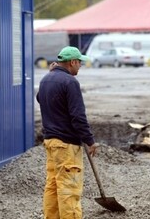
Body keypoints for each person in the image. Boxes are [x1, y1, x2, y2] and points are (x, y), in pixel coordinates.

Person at [36, 46, 98, 219]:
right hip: (66, 145)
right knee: (69, 189)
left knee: (53, 186)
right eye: (79, 63)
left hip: (51, 142)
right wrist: (90, 140)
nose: (80, 66)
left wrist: (51, 74)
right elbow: (78, 116)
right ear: (72, 62)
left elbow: (41, 98)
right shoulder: (70, 82)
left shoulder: (46, 79)